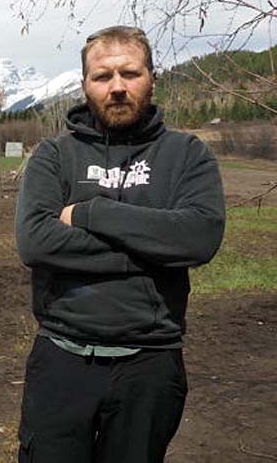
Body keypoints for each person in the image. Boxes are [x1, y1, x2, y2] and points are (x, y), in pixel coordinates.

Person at [14, 25, 225, 463]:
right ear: (85, 85)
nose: (117, 88)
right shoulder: (55, 155)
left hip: (149, 365)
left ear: (152, 77)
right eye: (102, 77)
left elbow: (199, 237)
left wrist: (92, 213)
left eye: (129, 73)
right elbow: (35, 242)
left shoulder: (186, 155)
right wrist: (155, 249)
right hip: (62, 358)